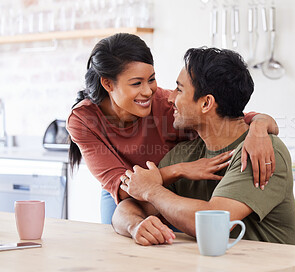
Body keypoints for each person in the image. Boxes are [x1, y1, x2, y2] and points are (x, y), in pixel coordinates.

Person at [66, 33, 280, 224]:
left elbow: (223, 116)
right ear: (108, 84)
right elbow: (123, 189)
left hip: (169, 188)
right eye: (136, 83)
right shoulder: (84, 119)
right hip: (126, 190)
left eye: (151, 80)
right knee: (120, 242)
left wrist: (259, 127)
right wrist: (180, 170)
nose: (148, 91)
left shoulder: (167, 106)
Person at [112, 47, 295, 246]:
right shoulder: (184, 153)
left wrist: (152, 190)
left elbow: (213, 224)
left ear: (206, 103)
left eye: (179, 89)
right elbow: (125, 211)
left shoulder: (262, 152)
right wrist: (135, 226)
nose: (170, 98)